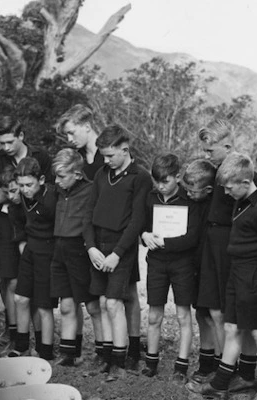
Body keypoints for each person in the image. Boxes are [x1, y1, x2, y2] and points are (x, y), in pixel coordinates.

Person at [187, 153, 257, 400]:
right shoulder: (239, 203)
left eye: (229, 187)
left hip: (254, 278)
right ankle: (220, 384)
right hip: (236, 274)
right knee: (232, 329)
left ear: (244, 181)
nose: (226, 193)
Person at [192, 119, 257, 390]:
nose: (206, 156)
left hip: (229, 244)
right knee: (213, 307)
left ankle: (241, 370)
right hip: (210, 243)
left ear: (228, 145)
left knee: (229, 310)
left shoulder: (243, 171)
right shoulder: (213, 171)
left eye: (210, 151)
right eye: (204, 150)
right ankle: (224, 365)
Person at [82, 125, 152, 379]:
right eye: (103, 155)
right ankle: (108, 355)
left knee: (114, 302)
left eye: (111, 155)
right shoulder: (102, 174)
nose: (106, 160)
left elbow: (136, 220)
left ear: (125, 149)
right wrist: (90, 247)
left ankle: (120, 363)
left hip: (121, 247)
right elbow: (89, 212)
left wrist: (118, 253)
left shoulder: (140, 176)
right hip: (98, 245)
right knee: (101, 302)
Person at [141, 154, 207, 381]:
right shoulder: (150, 198)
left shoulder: (189, 200)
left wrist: (166, 243)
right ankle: (151, 361)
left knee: (182, 315)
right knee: (153, 315)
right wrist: (145, 236)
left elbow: (192, 237)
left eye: (165, 181)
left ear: (177, 177)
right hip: (157, 263)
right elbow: (141, 226)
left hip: (182, 264)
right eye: (156, 181)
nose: (160, 186)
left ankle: (181, 366)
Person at [50, 149, 102, 366]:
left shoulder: (90, 191)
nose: (57, 180)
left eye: (62, 176)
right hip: (59, 249)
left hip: (79, 250)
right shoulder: (58, 190)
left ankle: (103, 351)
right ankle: (70, 353)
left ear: (78, 174)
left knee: (91, 305)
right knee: (66, 305)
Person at [12, 157, 59, 360]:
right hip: (30, 249)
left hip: (49, 253)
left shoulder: (52, 198)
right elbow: (18, 219)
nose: (25, 189)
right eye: (21, 185)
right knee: (20, 298)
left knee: (44, 306)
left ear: (40, 179)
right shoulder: (21, 197)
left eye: (29, 185)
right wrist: (22, 242)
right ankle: (21, 345)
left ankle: (45, 350)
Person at [179, 159, 216, 376]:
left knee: (213, 315)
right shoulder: (190, 202)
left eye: (193, 191)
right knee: (201, 314)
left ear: (208, 189)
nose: (190, 195)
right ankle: (206, 361)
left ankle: (221, 363)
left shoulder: (215, 205)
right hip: (193, 264)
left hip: (210, 264)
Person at [0, 116, 53, 206]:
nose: (6, 148)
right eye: (2, 143)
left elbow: (50, 188)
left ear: (21, 136)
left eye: (10, 142)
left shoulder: (40, 156)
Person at [0, 170, 23, 345]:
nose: (12, 195)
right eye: (7, 191)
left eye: (14, 190)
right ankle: (13, 334)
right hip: (5, 235)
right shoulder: (4, 211)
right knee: (9, 283)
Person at [56, 104, 105, 182]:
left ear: (87, 127)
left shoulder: (112, 153)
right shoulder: (76, 158)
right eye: (67, 135)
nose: (69, 139)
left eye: (72, 133)